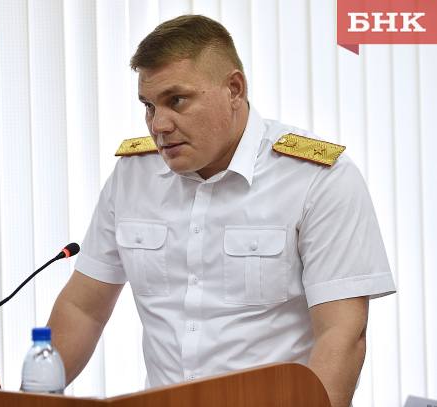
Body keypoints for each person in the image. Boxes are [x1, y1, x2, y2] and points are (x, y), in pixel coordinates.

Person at [47, 15, 395, 407]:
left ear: (234, 89)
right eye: (149, 106)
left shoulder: (317, 178)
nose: (158, 125)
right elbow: (83, 309)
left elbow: (342, 335)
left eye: (177, 100)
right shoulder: (133, 174)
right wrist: (31, 398)